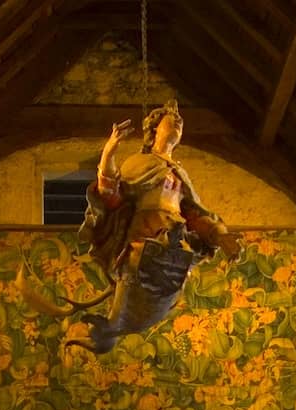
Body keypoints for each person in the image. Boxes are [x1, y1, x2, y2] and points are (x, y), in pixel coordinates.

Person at [66, 100, 240, 353]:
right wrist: (109, 152)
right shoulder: (139, 163)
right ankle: (121, 312)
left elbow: (193, 213)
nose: (179, 122)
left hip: (176, 230)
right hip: (147, 227)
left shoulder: (180, 173)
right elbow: (112, 195)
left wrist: (220, 236)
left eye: (181, 121)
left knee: (178, 272)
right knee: (137, 262)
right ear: (155, 129)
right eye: (172, 119)